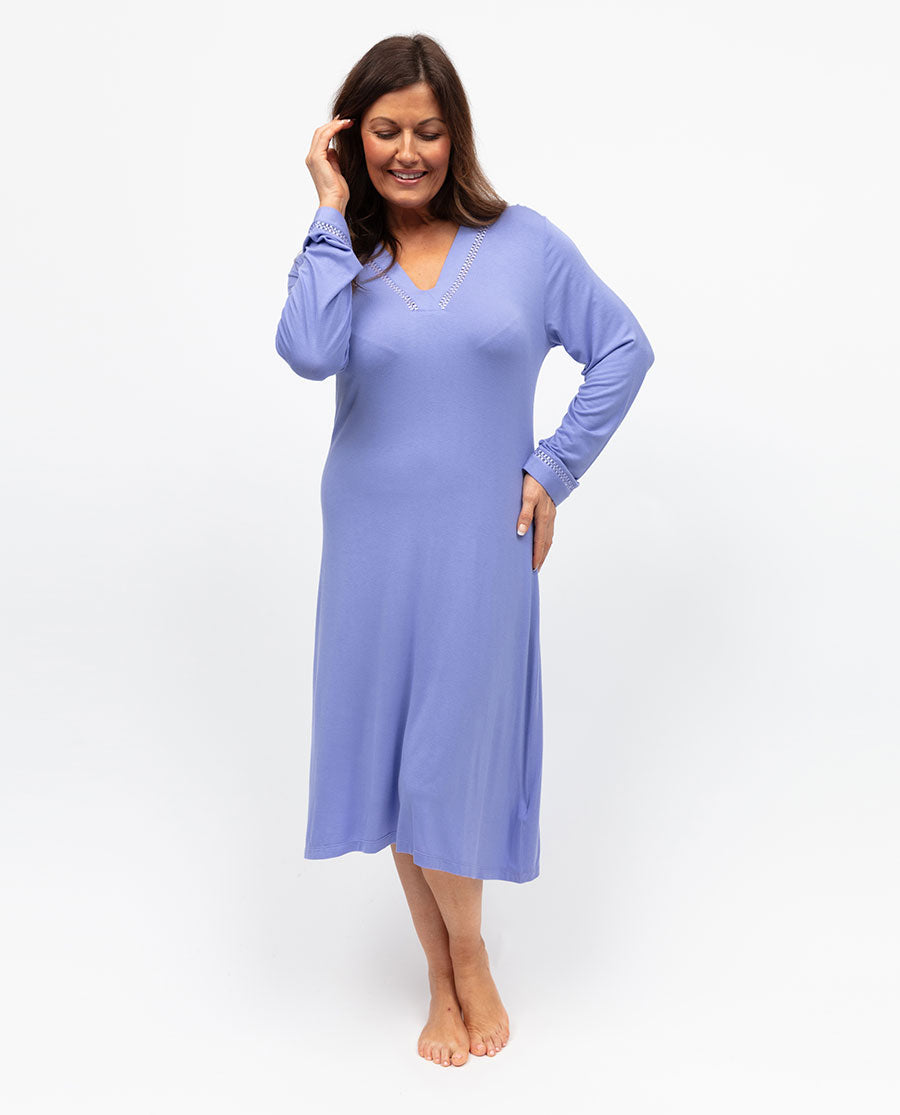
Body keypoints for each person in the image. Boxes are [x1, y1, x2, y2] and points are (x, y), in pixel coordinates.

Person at [275, 34, 655, 1068]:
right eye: (385, 131)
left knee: (447, 751)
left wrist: (552, 468)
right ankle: (440, 974)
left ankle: (471, 951)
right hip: (368, 538)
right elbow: (306, 351)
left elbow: (624, 348)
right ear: (352, 140)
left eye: (428, 131)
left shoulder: (526, 244)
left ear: (458, 136)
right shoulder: (342, 255)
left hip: (482, 542)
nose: (408, 151)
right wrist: (326, 206)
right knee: (399, 756)